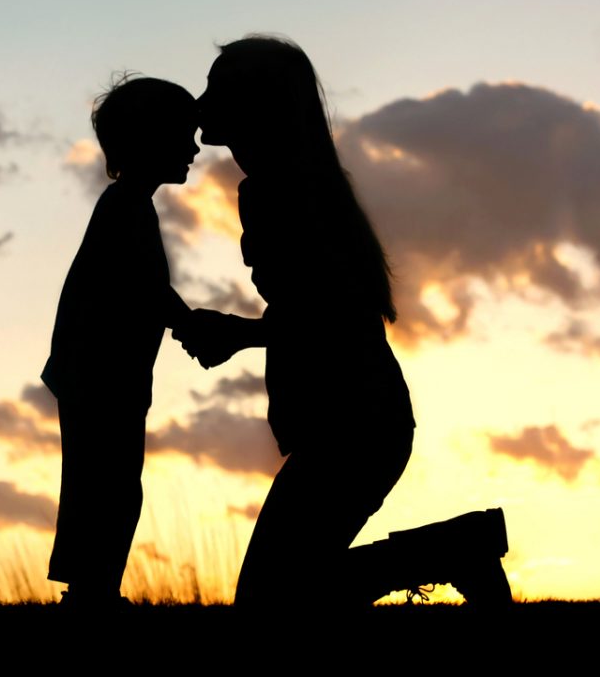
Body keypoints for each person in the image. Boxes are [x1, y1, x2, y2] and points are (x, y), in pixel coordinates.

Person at [175, 36, 511, 609]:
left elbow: (329, 315)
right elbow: (316, 310)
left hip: (352, 422)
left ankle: (456, 550)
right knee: (286, 593)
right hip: (349, 421)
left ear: (255, 103)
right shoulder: (286, 184)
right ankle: (454, 549)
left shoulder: (283, 192)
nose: (201, 102)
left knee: (271, 601)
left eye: (216, 89)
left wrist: (240, 332)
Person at [42, 75, 199, 607]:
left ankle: (92, 588)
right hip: (100, 373)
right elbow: (148, 288)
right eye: (184, 134)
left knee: (106, 481)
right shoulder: (126, 206)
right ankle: (92, 592)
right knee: (106, 484)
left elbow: (147, 290)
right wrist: (194, 324)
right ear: (150, 139)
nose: (194, 147)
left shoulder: (129, 204)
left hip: (105, 372)